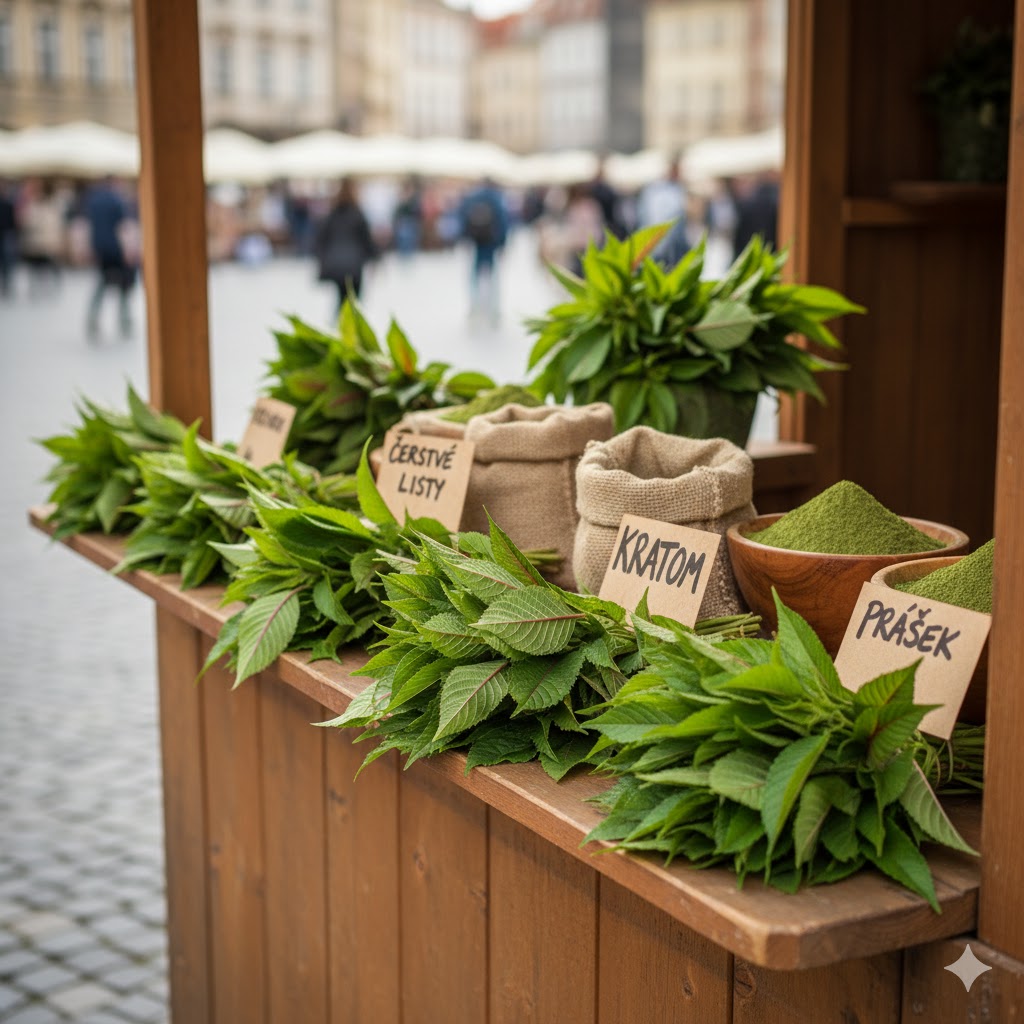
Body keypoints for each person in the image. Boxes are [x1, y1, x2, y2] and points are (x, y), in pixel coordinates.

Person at [84, 175, 138, 339]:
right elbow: (123, 228)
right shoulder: (117, 201)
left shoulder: (93, 201)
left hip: (100, 248)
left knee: (102, 283)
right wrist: (128, 251)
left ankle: (93, 318)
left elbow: (89, 226)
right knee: (124, 284)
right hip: (117, 249)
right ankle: (125, 320)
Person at [314, 178, 378, 312]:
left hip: (337, 265)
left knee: (341, 298)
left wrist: (324, 259)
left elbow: (321, 239)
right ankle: (350, 328)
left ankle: (340, 327)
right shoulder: (357, 214)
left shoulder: (332, 214)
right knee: (354, 301)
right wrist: (375, 259)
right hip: (354, 264)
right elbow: (367, 240)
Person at [459, 175, 508, 322]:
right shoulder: (496, 198)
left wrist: (465, 238)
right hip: (491, 242)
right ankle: (494, 307)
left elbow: (462, 217)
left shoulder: (472, 197)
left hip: (476, 241)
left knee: (474, 274)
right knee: (492, 275)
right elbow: (504, 221)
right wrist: (503, 243)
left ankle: (474, 304)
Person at [732, 171, 780, 254]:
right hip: (771, 249)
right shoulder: (776, 202)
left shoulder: (748, 201)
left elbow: (739, 234)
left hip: (749, 249)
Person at [0, 180, 17, 298]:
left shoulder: (9, 204)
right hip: (6, 235)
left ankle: (7, 285)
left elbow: (13, 222)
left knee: (7, 263)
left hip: (6, 235)